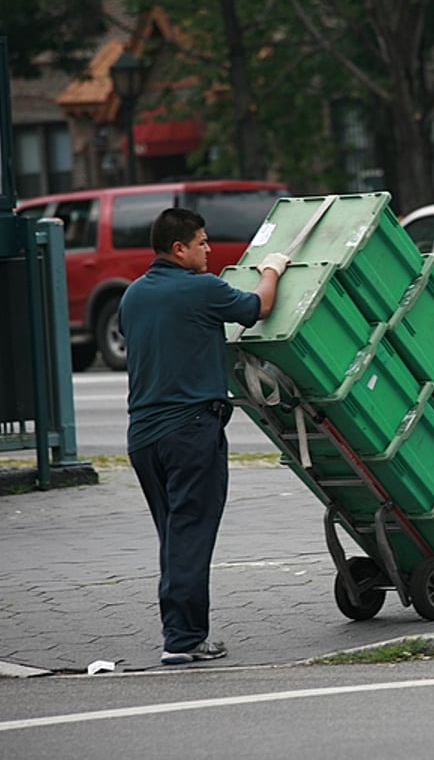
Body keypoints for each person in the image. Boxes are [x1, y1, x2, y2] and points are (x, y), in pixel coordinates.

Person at [119, 207, 289, 665]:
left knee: (174, 537)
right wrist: (272, 269)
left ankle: (179, 631)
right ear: (179, 249)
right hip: (191, 431)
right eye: (202, 242)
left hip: (143, 438)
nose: (209, 249)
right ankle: (183, 639)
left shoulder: (133, 296)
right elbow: (259, 307)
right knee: (190, 535)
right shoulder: (200, 289)